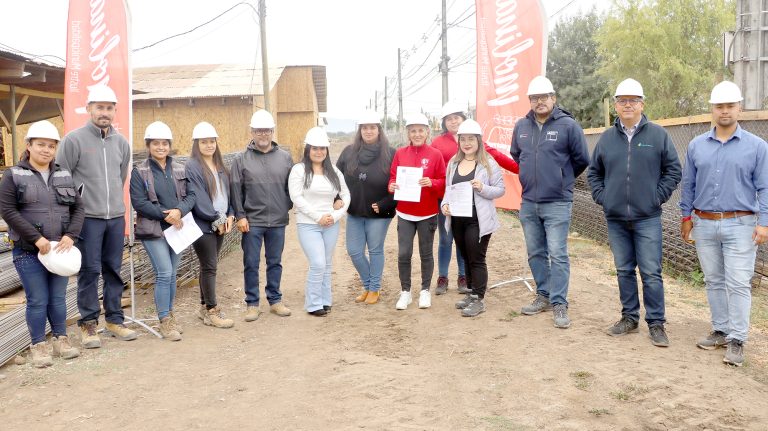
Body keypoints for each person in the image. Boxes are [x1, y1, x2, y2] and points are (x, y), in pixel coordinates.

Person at [588, 78, 682, 347]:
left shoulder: (657, 135)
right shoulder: (607, 138)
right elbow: (594, 172)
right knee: (623, 270)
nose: (627, 104)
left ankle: (656, 323)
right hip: (616, 218)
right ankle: (629, 318)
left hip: (647, 217)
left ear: (642, 104)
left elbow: (673, 170)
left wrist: (656, 197)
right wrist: (603, 198)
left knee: (651, 272)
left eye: (633, 100)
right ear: (615, 105)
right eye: (622, 100)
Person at [680, 81, 768, 366]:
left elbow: (765, 187)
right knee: (714, 280)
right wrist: (685, 218)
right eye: (720, 106)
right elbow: (688, 186)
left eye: (730, 105)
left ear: (739, 108)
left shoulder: (757, 147)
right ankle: (720, 330)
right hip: (703, 223)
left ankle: (738, 340)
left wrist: (764, 223)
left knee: (739, 283)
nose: (725, 111)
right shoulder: (696, 146)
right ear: (712, 110)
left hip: (740, 224)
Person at [56, 85, 137, 347]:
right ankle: (89, 324)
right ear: (89, 108)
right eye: (99, 107)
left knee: (113, 269)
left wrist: (112, 201)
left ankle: (114, 319)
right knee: (89, 271)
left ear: (115, 111)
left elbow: (120, 177)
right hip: (87, 218)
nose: (104, 112)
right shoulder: (74, 140)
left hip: (114, 217)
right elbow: (61, 178)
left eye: (109, 107)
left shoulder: (121, 143)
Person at [0, 121, 84, 367]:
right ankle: (38, 345)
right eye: (40, 145)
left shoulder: (63, 175)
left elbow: (78, 208)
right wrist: (36, 239)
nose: (46, 150)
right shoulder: (13, 175)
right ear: (29, 145)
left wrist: (71, 235)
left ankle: (61, 339)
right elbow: (7, 210)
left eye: (51, 145)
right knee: (38, 299)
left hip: (59, 250)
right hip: (28, 251)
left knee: (58, 297)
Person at [510, 76, 589, 329]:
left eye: (544, 97)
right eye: (534, 98)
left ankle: (559, 302)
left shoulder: (568, 126)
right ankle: (543, 295)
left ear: (553, 98)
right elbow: (517, 155)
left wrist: (561, 179)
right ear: (530, 101)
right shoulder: (521, 126)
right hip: (529, 201)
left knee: (557, 253)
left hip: (557, 202)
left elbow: (581, 159)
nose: (539, 102)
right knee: (535, 252)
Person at [431, 101, 520, 295]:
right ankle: (445, 277)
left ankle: (468, 284)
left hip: (475, 210)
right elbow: (442, 179)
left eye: (457, 117)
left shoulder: (483, 154)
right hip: (451, 206)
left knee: (473, 252)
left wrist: (521, 169)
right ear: (444, 122)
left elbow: (498, 165)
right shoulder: (443, 150)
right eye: (449, 118)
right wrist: (443, 201)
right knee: (449, 242)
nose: (453, 121)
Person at [129, 121, 196, 341]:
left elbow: (191, 196)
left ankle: (170, 314)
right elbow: (139, 202)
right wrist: (166, 214)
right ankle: (164, 319)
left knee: (172, 275)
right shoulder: (140, 172)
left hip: (176, 230)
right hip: (154, 230)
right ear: (148, 146)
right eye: (156, 143)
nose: (160, 147)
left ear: (170, 145)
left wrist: (179, 210)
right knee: (164, 272)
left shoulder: (179, 168)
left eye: (164, 143)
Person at [230, 109, 293, 321]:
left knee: (275, 261)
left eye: (266, 131)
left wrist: (285, 206)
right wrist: (240, 215)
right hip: (252, 221)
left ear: (273, 131)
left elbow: (290, 188)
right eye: (258, 131)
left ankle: (275, 300)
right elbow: (236, 190)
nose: (263, 135)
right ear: (252, 132)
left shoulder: (285, 158)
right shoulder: (241, 159)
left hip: (277, 220)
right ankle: (252, 303)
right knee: (251, 262)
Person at [440, 119, 506, 317]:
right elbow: (448, 190)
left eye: (471, 139)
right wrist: (444, 204)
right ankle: (471, 293)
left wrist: (482, 188)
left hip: (478, 219)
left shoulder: (488, 163)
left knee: (476, 258)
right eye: (463, 139)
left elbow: (501, 190)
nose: (467, 143)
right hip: (458, 218)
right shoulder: (453, 163)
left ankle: (479, 299)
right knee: (465, 256)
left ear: (478, 140)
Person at [289, 127, 350, 316]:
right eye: (315, 148)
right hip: (308, 224)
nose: (319, 152)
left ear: (327, 150)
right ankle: (313, 303)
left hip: (331, 223)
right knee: (318, 263)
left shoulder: (334, 172)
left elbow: (346, 195)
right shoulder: (298, 170)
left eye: (322, 148)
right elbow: (296, 197)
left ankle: (325, 300)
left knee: (327, 262)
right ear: (308, 149)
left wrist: (335, 215)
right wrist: (318, 217)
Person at [336, 111, 396, 305]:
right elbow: (335, 178)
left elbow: (399, 183)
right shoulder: (348, 152)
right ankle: (369, 284)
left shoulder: (391, 154)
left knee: (375, 250)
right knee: (354, 251)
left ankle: (374, 289)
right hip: (355, 211)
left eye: (372, 127)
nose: (368, 131)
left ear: (379, 130)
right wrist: (337, 198)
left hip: (379, 213)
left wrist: (385, 203)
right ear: (359, 130)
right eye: (364, 128)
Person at [388, 113, 446, 310]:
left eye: (421, 130)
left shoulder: (435, 155)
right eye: (413, 130)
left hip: (428, 213)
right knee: (404, 254)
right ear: (408, 133)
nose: (417, 134)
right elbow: (393, 177)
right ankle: (405, 292)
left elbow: (443, 182)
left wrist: (433, 183)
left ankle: (424, 291)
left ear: (427, 132)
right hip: (404, 213)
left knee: (426, 253)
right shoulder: (400, 153)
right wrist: (392, 186)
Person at [186, 122, 235, 329]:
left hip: (221, 223)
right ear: (197, 144)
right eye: (204, 142)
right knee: (210, 266)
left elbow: (229, 194)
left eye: (212, 141)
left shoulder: (220, 166)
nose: (209, 145)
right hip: (204, 225)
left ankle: (203, 307)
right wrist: (216, 218)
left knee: (208, 266)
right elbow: (198, 197)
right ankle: (212, 310)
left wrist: (231, 214)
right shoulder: (193, 167)